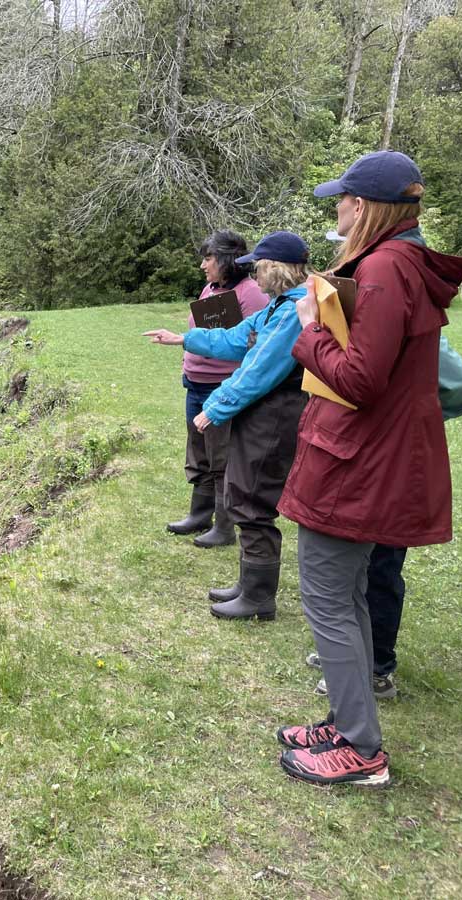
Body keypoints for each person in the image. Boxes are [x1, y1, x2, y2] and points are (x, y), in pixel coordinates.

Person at [275, 150, 462, 788]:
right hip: (369, 455)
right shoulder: (403, 262)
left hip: (355, 462)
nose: (335, 208)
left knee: (328, 599)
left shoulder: (385, 267)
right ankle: (345, 720)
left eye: (342, 199)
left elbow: (360, 379)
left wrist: (308, 332)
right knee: (349, 597)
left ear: (362, 207)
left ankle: (361, 750)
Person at [145, 231, 310, 620]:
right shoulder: (278, 306)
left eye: (259, 265)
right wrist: (185, 338)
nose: (253, 271)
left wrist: (215, 407)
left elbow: (258, 370)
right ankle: (249, 584)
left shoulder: (291, 313)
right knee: (242, 491)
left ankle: (258, 596)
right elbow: (236, 339)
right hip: (262, 414)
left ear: (274, 267)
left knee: (253, 499)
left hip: (276, 415)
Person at [308, 337, 462, 700]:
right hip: (359, 455)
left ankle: (376, 669)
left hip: (395, 458)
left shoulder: (411, 328)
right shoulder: (359, 317)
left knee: (381, 565)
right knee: (351, 568)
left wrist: (412, 415)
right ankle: (353, 655)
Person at [165, 231, 269, 549]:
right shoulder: (210, 288)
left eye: (208, 258)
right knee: (198, 452)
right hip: (194, 384)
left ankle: (224, 527)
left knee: (221, 457)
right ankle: (199, 514)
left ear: (225, 259)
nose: (202, 265)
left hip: (220, 387)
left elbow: (253, 345)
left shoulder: (250, 294)